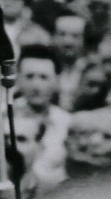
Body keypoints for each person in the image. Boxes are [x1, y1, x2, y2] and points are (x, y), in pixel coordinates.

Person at [12, 44, 70, 189]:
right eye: (29, 76)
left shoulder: (66, 122)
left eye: (44, 77)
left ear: (56, 80)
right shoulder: (0, 118)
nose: (36, 85)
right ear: (18, 78)